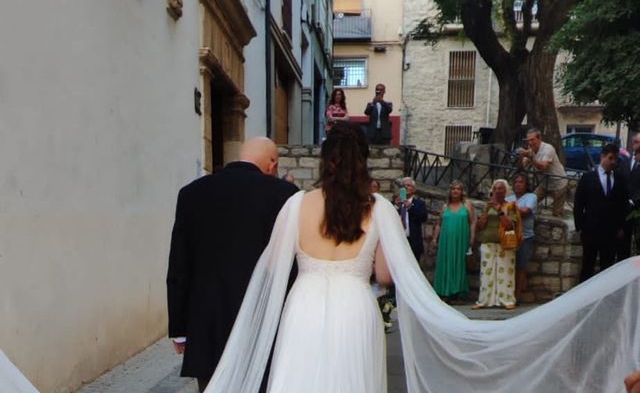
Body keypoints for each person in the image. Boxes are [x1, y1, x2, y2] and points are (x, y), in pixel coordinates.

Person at [205, 125, 640, 393]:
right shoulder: (377, 207)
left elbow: (271, 272)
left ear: (324, 163)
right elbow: (386, 274)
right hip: (354, 311)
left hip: (301, 309)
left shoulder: (295, 204)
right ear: (363, 162)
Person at [166, 137, 298, 392]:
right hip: (262, 319)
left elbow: (179, 265)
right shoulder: (285, 195)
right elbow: (292, 264)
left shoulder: (192, 194)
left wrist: (179, 328)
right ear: (272, 163)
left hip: (207, 323)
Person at [574, 143, 629, 283]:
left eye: (616, 159)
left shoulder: (619, 180)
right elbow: (579, 204)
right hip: (591, 230)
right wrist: (580, 227)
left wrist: (621, 227)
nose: (613, 162)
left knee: (607, 267)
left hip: (610, 233)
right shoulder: (588, 178)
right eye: (610, 158)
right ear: (602, 156)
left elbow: (623, 206)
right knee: (587, 266)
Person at [473, 179, 519, 310]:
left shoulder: (511, 206)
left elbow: (510, 225)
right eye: (496, 189)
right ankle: (485, 300)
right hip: (488, 241)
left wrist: (499, 211)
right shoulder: (487, 206)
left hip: (504, 243)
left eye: (501, 189)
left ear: (506, 191)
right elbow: (480, 225)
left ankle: (507, 299)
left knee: (505, 271)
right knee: (486, 272)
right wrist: (487, 212)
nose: (498, 191)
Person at [431, 180, 476, 304]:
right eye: (453, 189)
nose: (455, 191)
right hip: (446, 239)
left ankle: (458, 293)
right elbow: (439, 223)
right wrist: (435, 238)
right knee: (445, 263)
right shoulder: (445, 206)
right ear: (450, 191)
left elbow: (472, 222)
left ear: (462, 192)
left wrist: (472, 238)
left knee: (459, 263)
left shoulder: (467, 205)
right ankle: (445, 292)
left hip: (461, 239)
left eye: (458, 189)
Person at [517, 128, 568, 217]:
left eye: (532, 140)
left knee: (557, 213)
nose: (530, 143)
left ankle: (557, 228)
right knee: (530, 201)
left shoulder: (548, 149)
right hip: (544, 184)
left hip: (558, 184)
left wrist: (531, 157)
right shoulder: (531, 150)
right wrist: (521, 156)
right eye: (528, 140)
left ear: (539, 138)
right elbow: (523, 167)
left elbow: (543, 167)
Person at [506, 173, 537, 301]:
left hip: (525, 236)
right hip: (510, 235)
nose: (518, 184)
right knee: (509, 264)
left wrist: (511, 208)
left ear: (526, 185)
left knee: (521, 265)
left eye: (521, 182)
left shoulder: (531, 197)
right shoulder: (510, 198)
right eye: (516, 182)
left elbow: (526, 211)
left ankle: (517, 295)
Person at [617, 132, 640, 260]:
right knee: (622, 247)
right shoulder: (623, 162)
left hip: (637, 210)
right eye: (636, 142)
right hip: (624, 211)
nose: (637, 146)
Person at [396, 177, 428, 262]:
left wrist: (410, 207)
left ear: (414, 189)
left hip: (413, 241)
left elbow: (423, 217)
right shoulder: (397, 203)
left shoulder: (419, 203)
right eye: (403, 186)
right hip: (399, 241)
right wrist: (396, 206)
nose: (406, 187)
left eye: (408, 185)